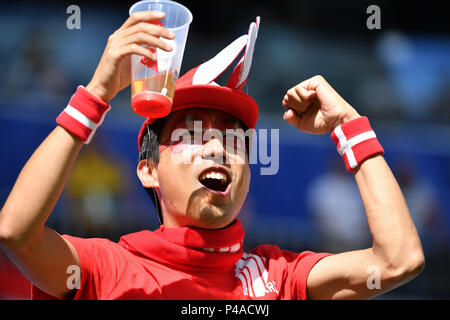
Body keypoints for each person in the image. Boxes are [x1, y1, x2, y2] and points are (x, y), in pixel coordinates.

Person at [0, 11, 424, 300]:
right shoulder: (104, 268)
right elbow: (16, 233)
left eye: (233, 139)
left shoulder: (280, 277)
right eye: (190, 134)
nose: (218, 147)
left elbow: (399, 260)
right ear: (148, 170)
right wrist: (95, 94)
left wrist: (348, 126)